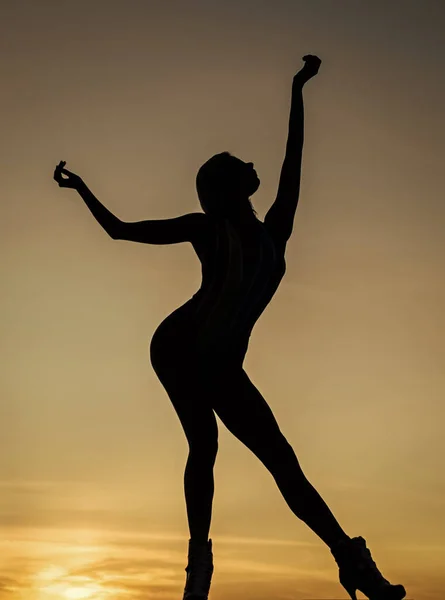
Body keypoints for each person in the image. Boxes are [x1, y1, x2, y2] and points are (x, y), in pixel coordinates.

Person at [53, 55, 406, 600]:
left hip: (221, 364)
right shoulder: (206, 228)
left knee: (282, 462)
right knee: (206, 446)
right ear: (227, 186)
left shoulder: (274, 235)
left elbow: (295, 159)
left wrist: (299, 89)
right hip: (177, 346)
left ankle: (352, 563)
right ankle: (198, 568)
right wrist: (79, 188)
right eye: (238, 163)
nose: (251, 164)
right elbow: (121, 231)